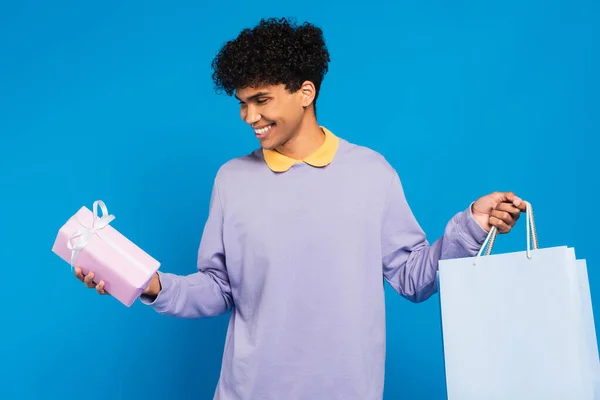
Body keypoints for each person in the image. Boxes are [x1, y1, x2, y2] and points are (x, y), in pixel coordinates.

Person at [74, 17, 527, 400]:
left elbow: (413, 278)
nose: (249, 116)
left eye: (261, 100)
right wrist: (152, 285)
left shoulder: (372, 172)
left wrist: (470, 225)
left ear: (305, 92)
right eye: (242, 103)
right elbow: (219, 288)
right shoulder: (231, 180)